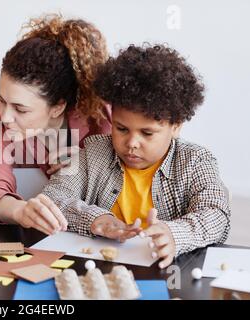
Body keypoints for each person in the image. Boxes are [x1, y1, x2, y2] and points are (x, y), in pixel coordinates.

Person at [42, 43, 231, 268]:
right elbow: (53, 197)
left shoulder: (196, 161)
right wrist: (97, 220)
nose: (131, 143)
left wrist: (174, 234)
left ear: (176, 126)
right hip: (103, 271)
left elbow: (217, 214)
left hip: (167, 275)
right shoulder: (93, 152)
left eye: (147, 133)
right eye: (121, 129)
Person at [0, 14, 111, 235]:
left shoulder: (101, 115)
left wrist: (88, 161)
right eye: (2, 99)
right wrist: (20, 211)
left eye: (21, 109)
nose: (6, 116)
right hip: (44, 236)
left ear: (57, 107)